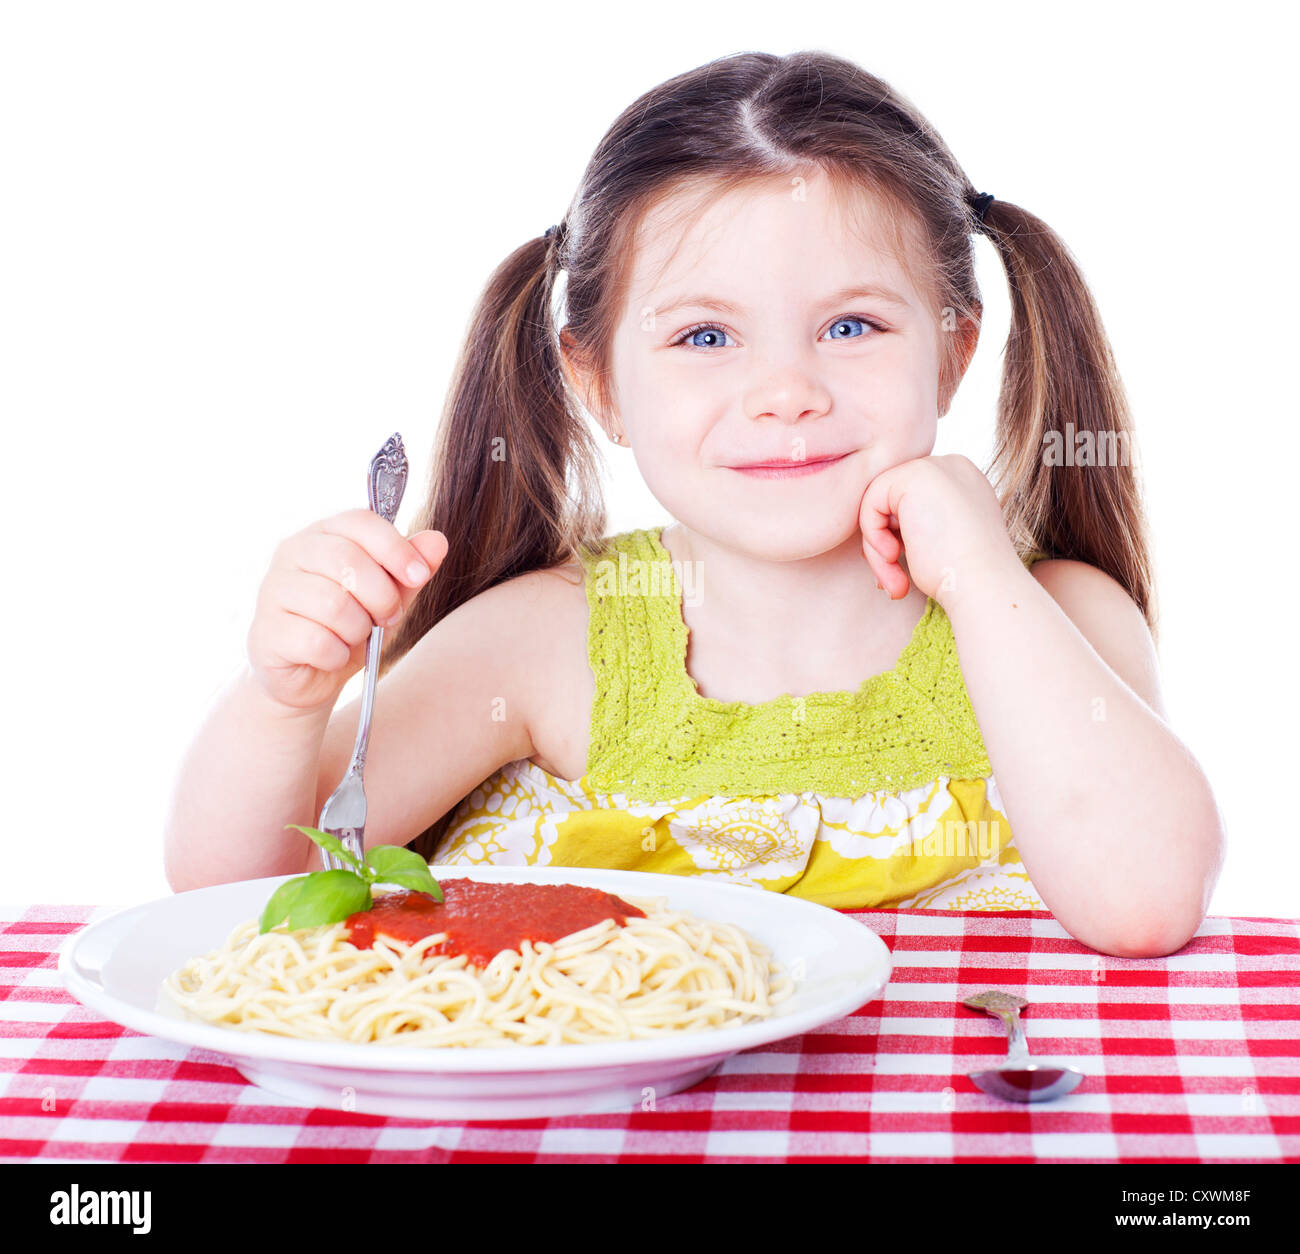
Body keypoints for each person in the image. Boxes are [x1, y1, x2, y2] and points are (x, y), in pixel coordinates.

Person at [164, 49, 1224, 957]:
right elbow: (248, 899)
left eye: (851, 326)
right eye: (704, 338)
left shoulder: (1055, 620)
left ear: (951, 355)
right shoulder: (543, 643)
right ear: (597, 383)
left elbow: (1145, 906)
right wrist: (283, 702)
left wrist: (983, 573)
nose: (785, 394)